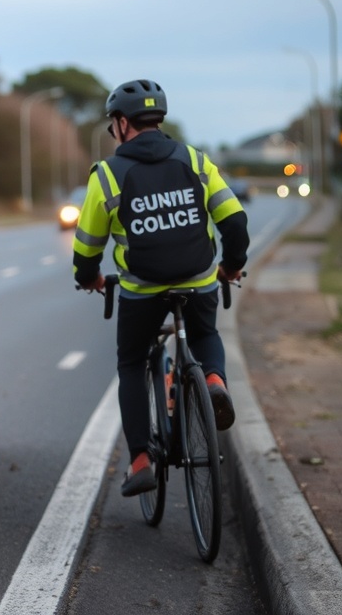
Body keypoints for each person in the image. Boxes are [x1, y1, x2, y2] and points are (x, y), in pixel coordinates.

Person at [72, 79, 249, 497]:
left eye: (112, 124)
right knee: (204, 334)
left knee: (132, 362)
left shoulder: (108, 175)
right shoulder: (195, 160)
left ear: (122, 123)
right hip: (199, 280)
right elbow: (234, 220)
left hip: (142, 290)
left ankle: (140, 460)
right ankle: (213, 381)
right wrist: (230, 266)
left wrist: (88, 277)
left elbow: (87, 245)